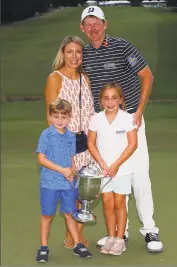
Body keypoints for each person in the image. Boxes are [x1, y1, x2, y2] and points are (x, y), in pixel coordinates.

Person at [80, 6, 163, 252]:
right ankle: (119, 234)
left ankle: (149, 230)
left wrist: (138, 110)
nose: (93, 29)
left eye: (98, 24)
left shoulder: (122, 46)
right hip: (103, 123)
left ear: (106, 25)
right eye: (88, 25)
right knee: (112, 176)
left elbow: (147, 76)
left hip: (130, 121)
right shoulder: (84, 55)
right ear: (82, 29)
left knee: (138, 175)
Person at [44, 36, 94, 249]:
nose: (74, 56)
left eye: (79, 52)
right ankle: (75, 238)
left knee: (86, 195)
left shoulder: (85, 78)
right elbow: (51, 116)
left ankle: (72, 236)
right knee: (70, 194)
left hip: (87, 145)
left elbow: (90, 111)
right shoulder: (55, 78)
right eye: (70, 52)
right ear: (62, 53)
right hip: (66, 146)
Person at [36, 99, 92, 262]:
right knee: (47, 215)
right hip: (49, 183)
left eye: (63, 117)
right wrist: (62, 170)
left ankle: (77, 244)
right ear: (50, 117)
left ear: (69, 118)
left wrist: (73, 172)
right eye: (56, 117)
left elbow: (71, 157)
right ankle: (44, 247)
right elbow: (41, 159)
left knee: (70, 214)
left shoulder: (70, 136)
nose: (60, 120)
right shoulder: (46, 135)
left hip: (67, 183)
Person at [88, 82, 137, 256]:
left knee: (119, 203)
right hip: (103, 170)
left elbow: (132, 144)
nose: (110, 102)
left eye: (114, 98)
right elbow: (91, 143)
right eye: (106, 98)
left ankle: (120, 239)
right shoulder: (96, 118)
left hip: (122, 169)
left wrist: (116, 165)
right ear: (101, 101)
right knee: (107, 203)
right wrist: (102, 163)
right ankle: (110, 237)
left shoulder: (127, 118)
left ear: (121, 100)